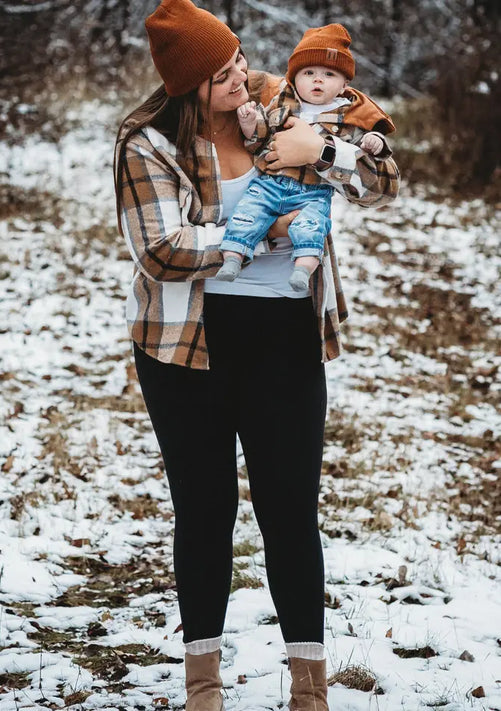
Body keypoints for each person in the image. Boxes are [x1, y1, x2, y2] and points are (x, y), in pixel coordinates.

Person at [113, 1, 399, 709]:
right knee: (205, 511)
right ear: (187, 88)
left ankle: (310, 690)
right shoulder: (147, 142)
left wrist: (323, 153)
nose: (241, 76)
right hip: (186, 350)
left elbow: (385, 182)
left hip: (284, 341)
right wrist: (264, 231)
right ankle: (202, 687)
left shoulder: (288, 98)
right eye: (220, 74)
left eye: (238, 58)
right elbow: (158, 249)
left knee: (290, 510)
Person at [216, 24, 395, 292]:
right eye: (308, 73)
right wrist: (250, 125)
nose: (317, 80)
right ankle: (233, 256)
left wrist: (321, 152)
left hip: (312, 192)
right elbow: (259, 138)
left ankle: (304, 267)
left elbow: (382, 179)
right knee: (249, 212)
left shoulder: (351, 113)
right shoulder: (279, 102)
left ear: (344, 83)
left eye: (329, 74)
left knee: (312, 226)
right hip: (271, 185)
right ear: (294, 77)